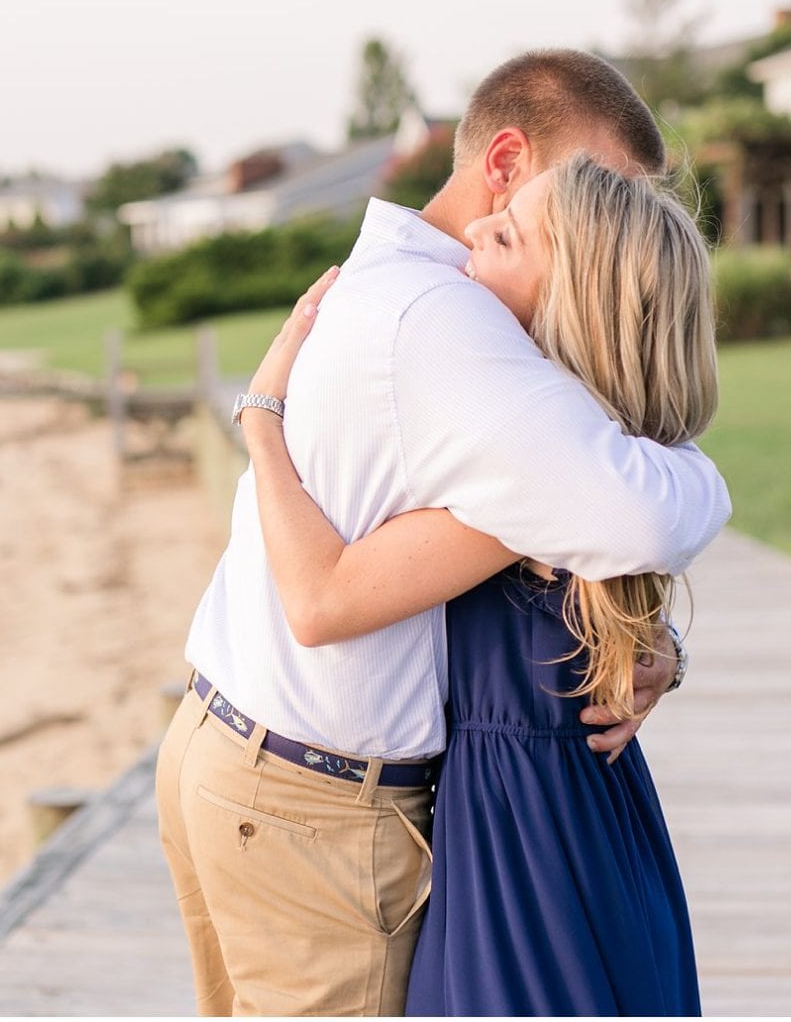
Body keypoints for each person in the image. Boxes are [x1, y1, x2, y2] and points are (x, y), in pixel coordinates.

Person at [155, 49, 731, 1016]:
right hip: (319, 812)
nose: (615, 220)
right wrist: (701, 475)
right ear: (505, 161)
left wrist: (652, 640)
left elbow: (584, 540)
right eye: (595, 188)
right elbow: (634, 512)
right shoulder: (448, 320)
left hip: (234, 753)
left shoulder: (394, 295)